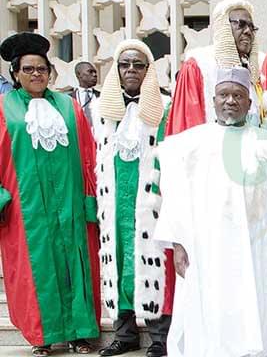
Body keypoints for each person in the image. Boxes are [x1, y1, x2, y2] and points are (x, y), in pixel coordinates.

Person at [154, 67, 267, 357]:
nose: (230, 101)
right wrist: (178, 245)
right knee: (211, 311)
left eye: (238, 95)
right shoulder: (189, 144)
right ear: (213, 100)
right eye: (224, 94)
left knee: (258, 308)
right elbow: (174, 196)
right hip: (207, 248)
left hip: (258, 247)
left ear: (249, 103)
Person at [0, 32, 101, 356]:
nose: (36, 75)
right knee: (36, 269)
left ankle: (79, 333)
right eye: (28, 69)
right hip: (24, 211)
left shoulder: (69, 107)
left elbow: (88, 155)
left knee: (77, 265)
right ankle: (41, 337)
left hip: (70, 205)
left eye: (42, 69)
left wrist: (90, 199)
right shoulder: (4, 109)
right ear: (15, 73)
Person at [94, 40, 171, 357]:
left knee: (153, 265)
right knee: (118, 264)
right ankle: (124, 335)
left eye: (138, 64)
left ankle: (159, 338)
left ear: (149, 69)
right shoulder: (101, 110)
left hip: (151, 201)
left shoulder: (165, 105)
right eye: (125, 64)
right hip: (114, 203)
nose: (131, 70)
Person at [170, 0, 267, 133]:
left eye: (251, 27)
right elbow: (188, 123)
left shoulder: (258, 67)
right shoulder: (198, 64)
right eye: (241, 24)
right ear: (224, 27)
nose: (248, 31)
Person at [67, 61, 100, 126]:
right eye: (90, 72)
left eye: (95, 72)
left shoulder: (102, 96)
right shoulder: (68, 99)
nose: (94, 75)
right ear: (79, 74)